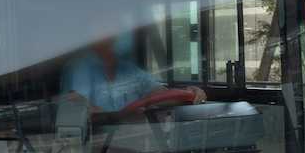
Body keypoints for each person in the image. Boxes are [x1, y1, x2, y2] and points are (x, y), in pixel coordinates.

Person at [61, 28, 205, 115]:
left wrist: (188, 93)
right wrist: (121, 119)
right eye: (101, 26)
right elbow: (79, 108)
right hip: (95, 148)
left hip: (134, 144)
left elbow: (158, 94)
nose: (109, 33)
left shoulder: (128, 69)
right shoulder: (79, 68)